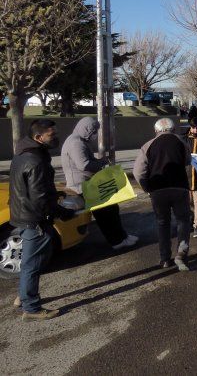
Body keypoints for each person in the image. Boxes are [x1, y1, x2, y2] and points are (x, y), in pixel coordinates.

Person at [9, 119, 74, 320]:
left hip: (24, 215)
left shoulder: (23, 154)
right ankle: (31, 308)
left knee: (32, 260)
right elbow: (40, 197)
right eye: (52, 135)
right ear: (39, 138)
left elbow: (33, 189)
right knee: (33, 263)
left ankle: (23, 296)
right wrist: (60, 212)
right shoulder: (36, 161)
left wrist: (55, 196)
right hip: (35, 219)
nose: (56, 138)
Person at [61, 117, 138, 250]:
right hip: (82, 187)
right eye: (94, 131)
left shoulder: (78, 141)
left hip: (88, 184)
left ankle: (122, 236)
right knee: (106, 213)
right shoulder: (76, 143)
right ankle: (117, 241)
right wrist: (102, 162)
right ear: (87, 130)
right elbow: (84, 165)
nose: (95, 135)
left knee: (112, 208)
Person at [132, 118, 192, 271]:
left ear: (156, 130)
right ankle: (181, 253)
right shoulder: (182, 142)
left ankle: (165, 258)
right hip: (180, 187)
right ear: (173, 129)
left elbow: (138, 172)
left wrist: (147, 187)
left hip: (158, 190)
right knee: (183, 220)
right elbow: (187, 161)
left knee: (162, 223)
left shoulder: (148, 145)